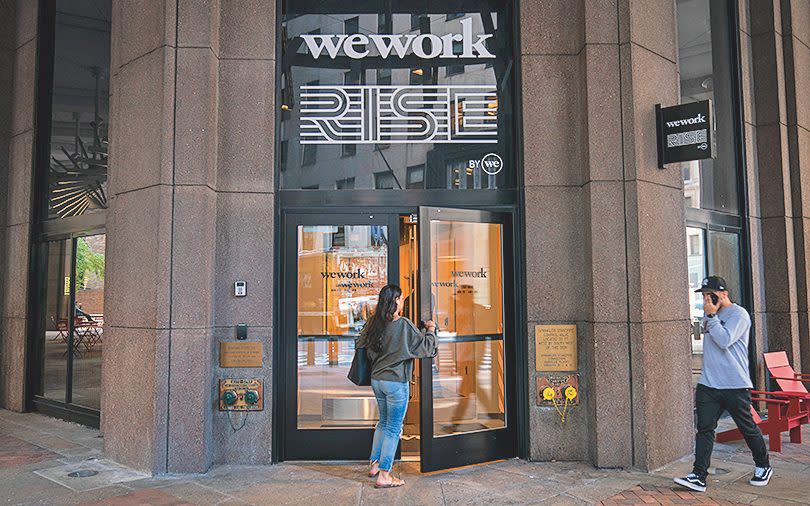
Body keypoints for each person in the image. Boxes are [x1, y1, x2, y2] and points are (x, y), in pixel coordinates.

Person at [674, 276, 772, 492]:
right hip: (709, 385)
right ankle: (699, 475)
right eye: (705, 295)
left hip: (734, 384)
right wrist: (710, 316)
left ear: (724, 294)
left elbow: (725, 340)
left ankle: (763, 465)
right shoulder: (711, 316)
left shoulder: (739, 315)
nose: (708, 298)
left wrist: (711, 316)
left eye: (712, 295)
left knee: (747, 427)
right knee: (705, 429)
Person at [358, 284, 437, 488]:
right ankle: (384, 475)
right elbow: (427, 348)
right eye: (401, 298)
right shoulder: (403, 324)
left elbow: (362, 344)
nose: (402, 301)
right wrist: (430, 329)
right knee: (393, 428)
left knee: (383, 423)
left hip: (377, 380)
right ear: (394, 301)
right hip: (395, 383)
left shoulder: (374, 323)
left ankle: (374, 464)